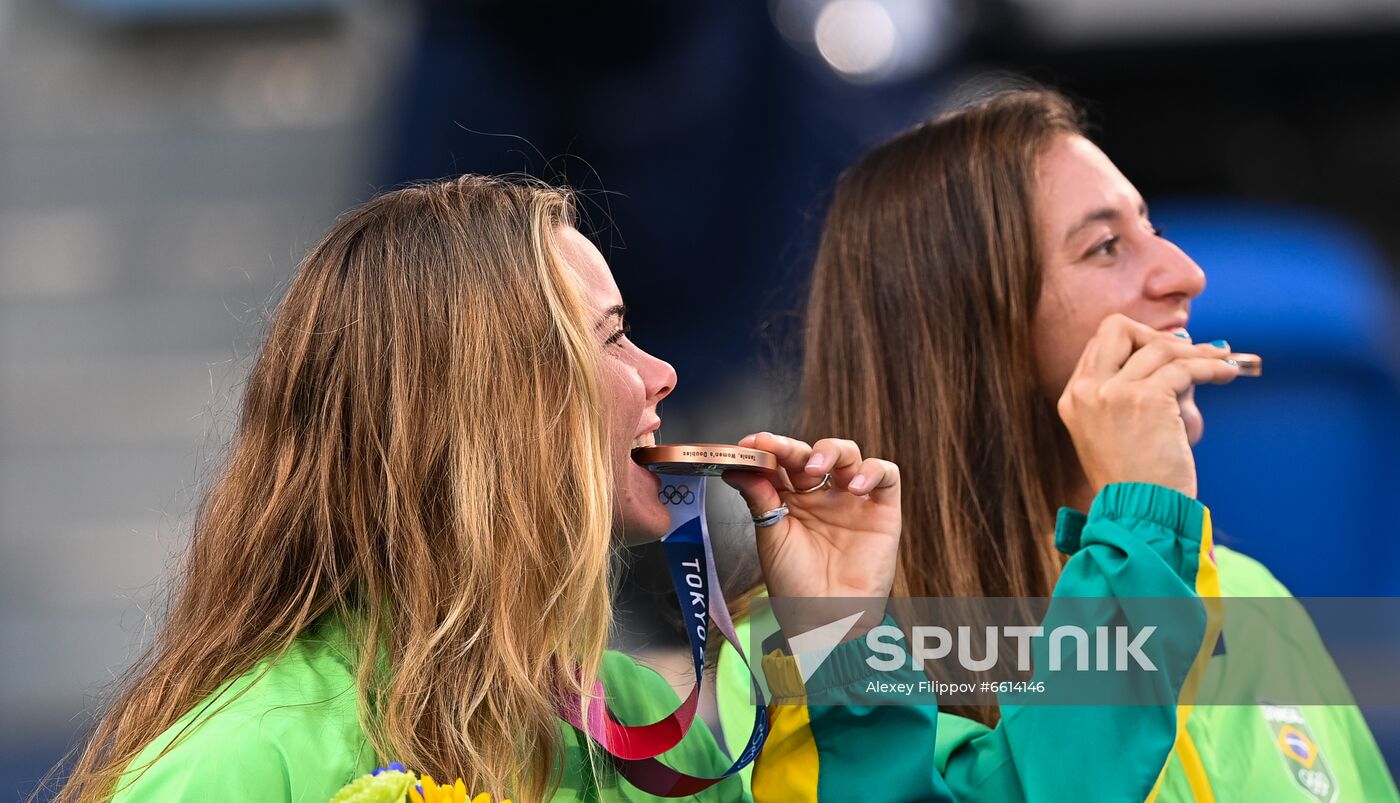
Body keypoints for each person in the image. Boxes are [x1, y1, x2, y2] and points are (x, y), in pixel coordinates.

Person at [49, 175, 931, 803]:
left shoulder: (642, 732)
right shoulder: (241, 764)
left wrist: (838, 631)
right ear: (489, 405)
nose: (662, 374)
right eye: (612, 339)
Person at [723, 87, 1398, 801]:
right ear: (970, 334)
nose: (1185, 275)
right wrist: (1143, 515)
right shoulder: (814, 641)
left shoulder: (1247, 595)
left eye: (1152, 226)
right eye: (1106, 246)